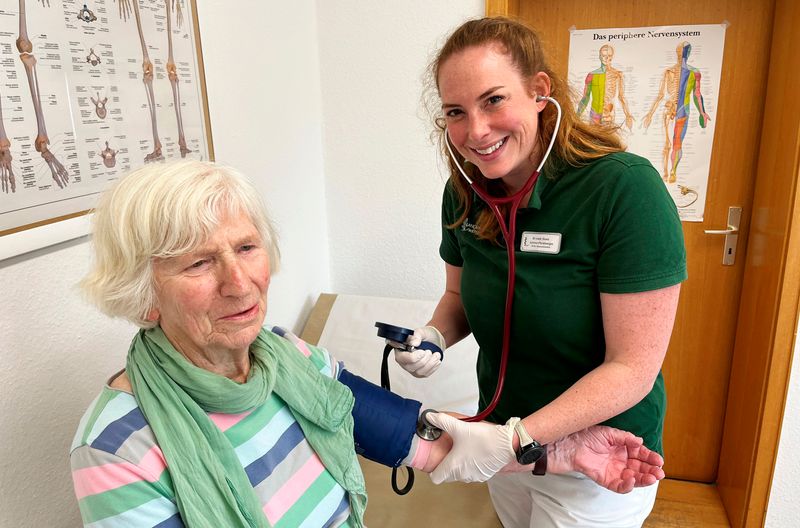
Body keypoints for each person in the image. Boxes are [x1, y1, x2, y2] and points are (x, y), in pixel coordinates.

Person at [70, 160, 666, 527]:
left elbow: (420, 437)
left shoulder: (291, 360)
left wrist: (558, 453)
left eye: (247, 248)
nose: (239, 281)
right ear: (143, 293)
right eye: (199, 262)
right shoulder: (117, 445)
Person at [390, 17, 686, 528]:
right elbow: (460, 296)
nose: (475, 130)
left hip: (597, 458)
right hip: (503, 444)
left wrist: (520, 437)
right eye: (455, 112)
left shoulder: (623, 192)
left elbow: (632, 367)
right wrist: (435, 335)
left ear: (539, 91)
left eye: (494, 100)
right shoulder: (465, 191)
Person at [642, 41, 711, 183]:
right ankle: (664, 173)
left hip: (683, 110)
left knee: (677, 143)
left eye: (684, 53)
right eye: (679, 53)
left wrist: (702, 112)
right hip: (668, 109)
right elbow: (660, 95)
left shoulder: (694, 73)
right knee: (666, 143)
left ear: (689, 53)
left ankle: (673, 171)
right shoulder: (669, 72)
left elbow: (697, 94)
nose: (681, 56)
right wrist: (650, 113)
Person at [576, 44, 635, 131]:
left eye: (609, 56)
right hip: (594, 114)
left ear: (612, 56)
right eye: (604, 56)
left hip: (609, 114)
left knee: (608, 139)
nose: (606, 58)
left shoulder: (617, 75)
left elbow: (621, 97)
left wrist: (628, 115)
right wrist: (576, 116)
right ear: (600, 56)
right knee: (594, 139)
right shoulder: (591, 75)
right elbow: (585, 97)